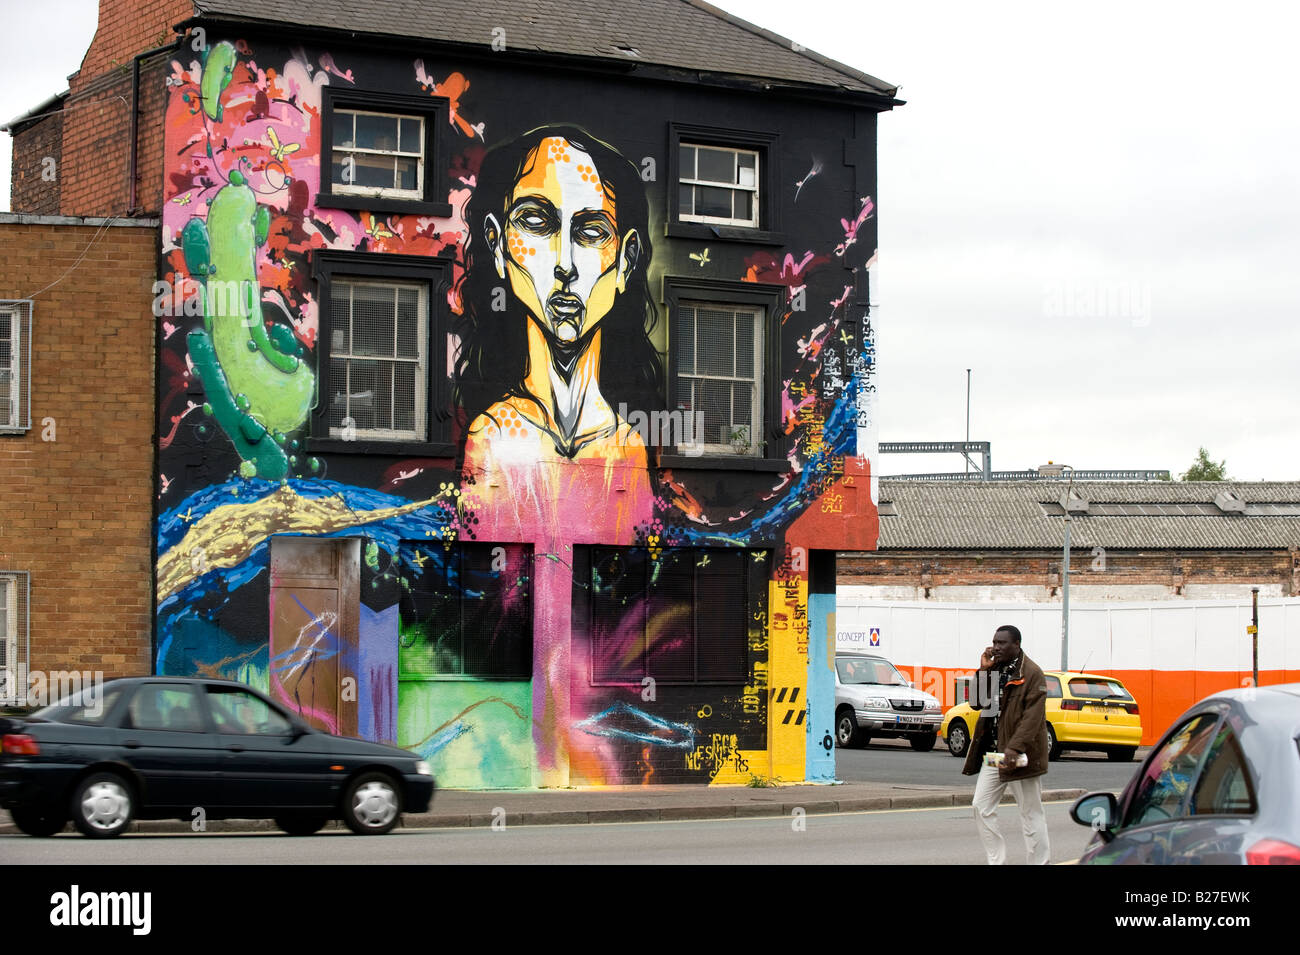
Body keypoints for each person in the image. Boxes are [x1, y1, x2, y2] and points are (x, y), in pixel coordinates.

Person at [453, 124, 662, 541]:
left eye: (591, 232)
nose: (564, 265)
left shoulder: (627, 448)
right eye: (536, 221)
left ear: (626, 259)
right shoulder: (490, 437)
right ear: (498, 245)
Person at [963, 624, 1051, 864]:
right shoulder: (994, 669)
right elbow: (977, 703)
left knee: (1031, 814)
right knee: (980, 806)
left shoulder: (1032, 673)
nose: (996, 647)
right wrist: (982, 670)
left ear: (1017, 645)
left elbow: (1032, 718)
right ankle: (996, 861)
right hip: (994, 755)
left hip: (1021, 755)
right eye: (994, 642)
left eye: (1002, 643)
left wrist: (1014, 748)